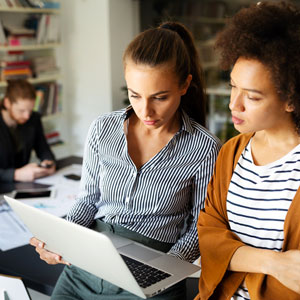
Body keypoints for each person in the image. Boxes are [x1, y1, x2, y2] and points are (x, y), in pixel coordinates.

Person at [30, 21, 220, 300]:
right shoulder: (102, 129)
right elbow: (88, 200)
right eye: (135, 95)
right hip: (86, 267)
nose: (146, 110)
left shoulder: (204, 148)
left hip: (154, 277)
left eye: (160, 97)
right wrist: (62, 239)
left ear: (184, 85)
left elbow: (200, 226)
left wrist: (166, 269)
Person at [195, 2, 300, 300]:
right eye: (232, 86)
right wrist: (274, 263)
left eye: (252, 97)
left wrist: (240, 255)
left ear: (291, 100)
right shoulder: (232, 152)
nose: (234, 104)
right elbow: (209, 234)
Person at [0, 79, 56, 183]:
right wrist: (15, 174)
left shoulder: (33, 119)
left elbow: (43, 148)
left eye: (30, 110)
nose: (27, 116)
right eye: (21, 111)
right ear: (7, 103)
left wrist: (48, 162)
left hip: (23, 184)